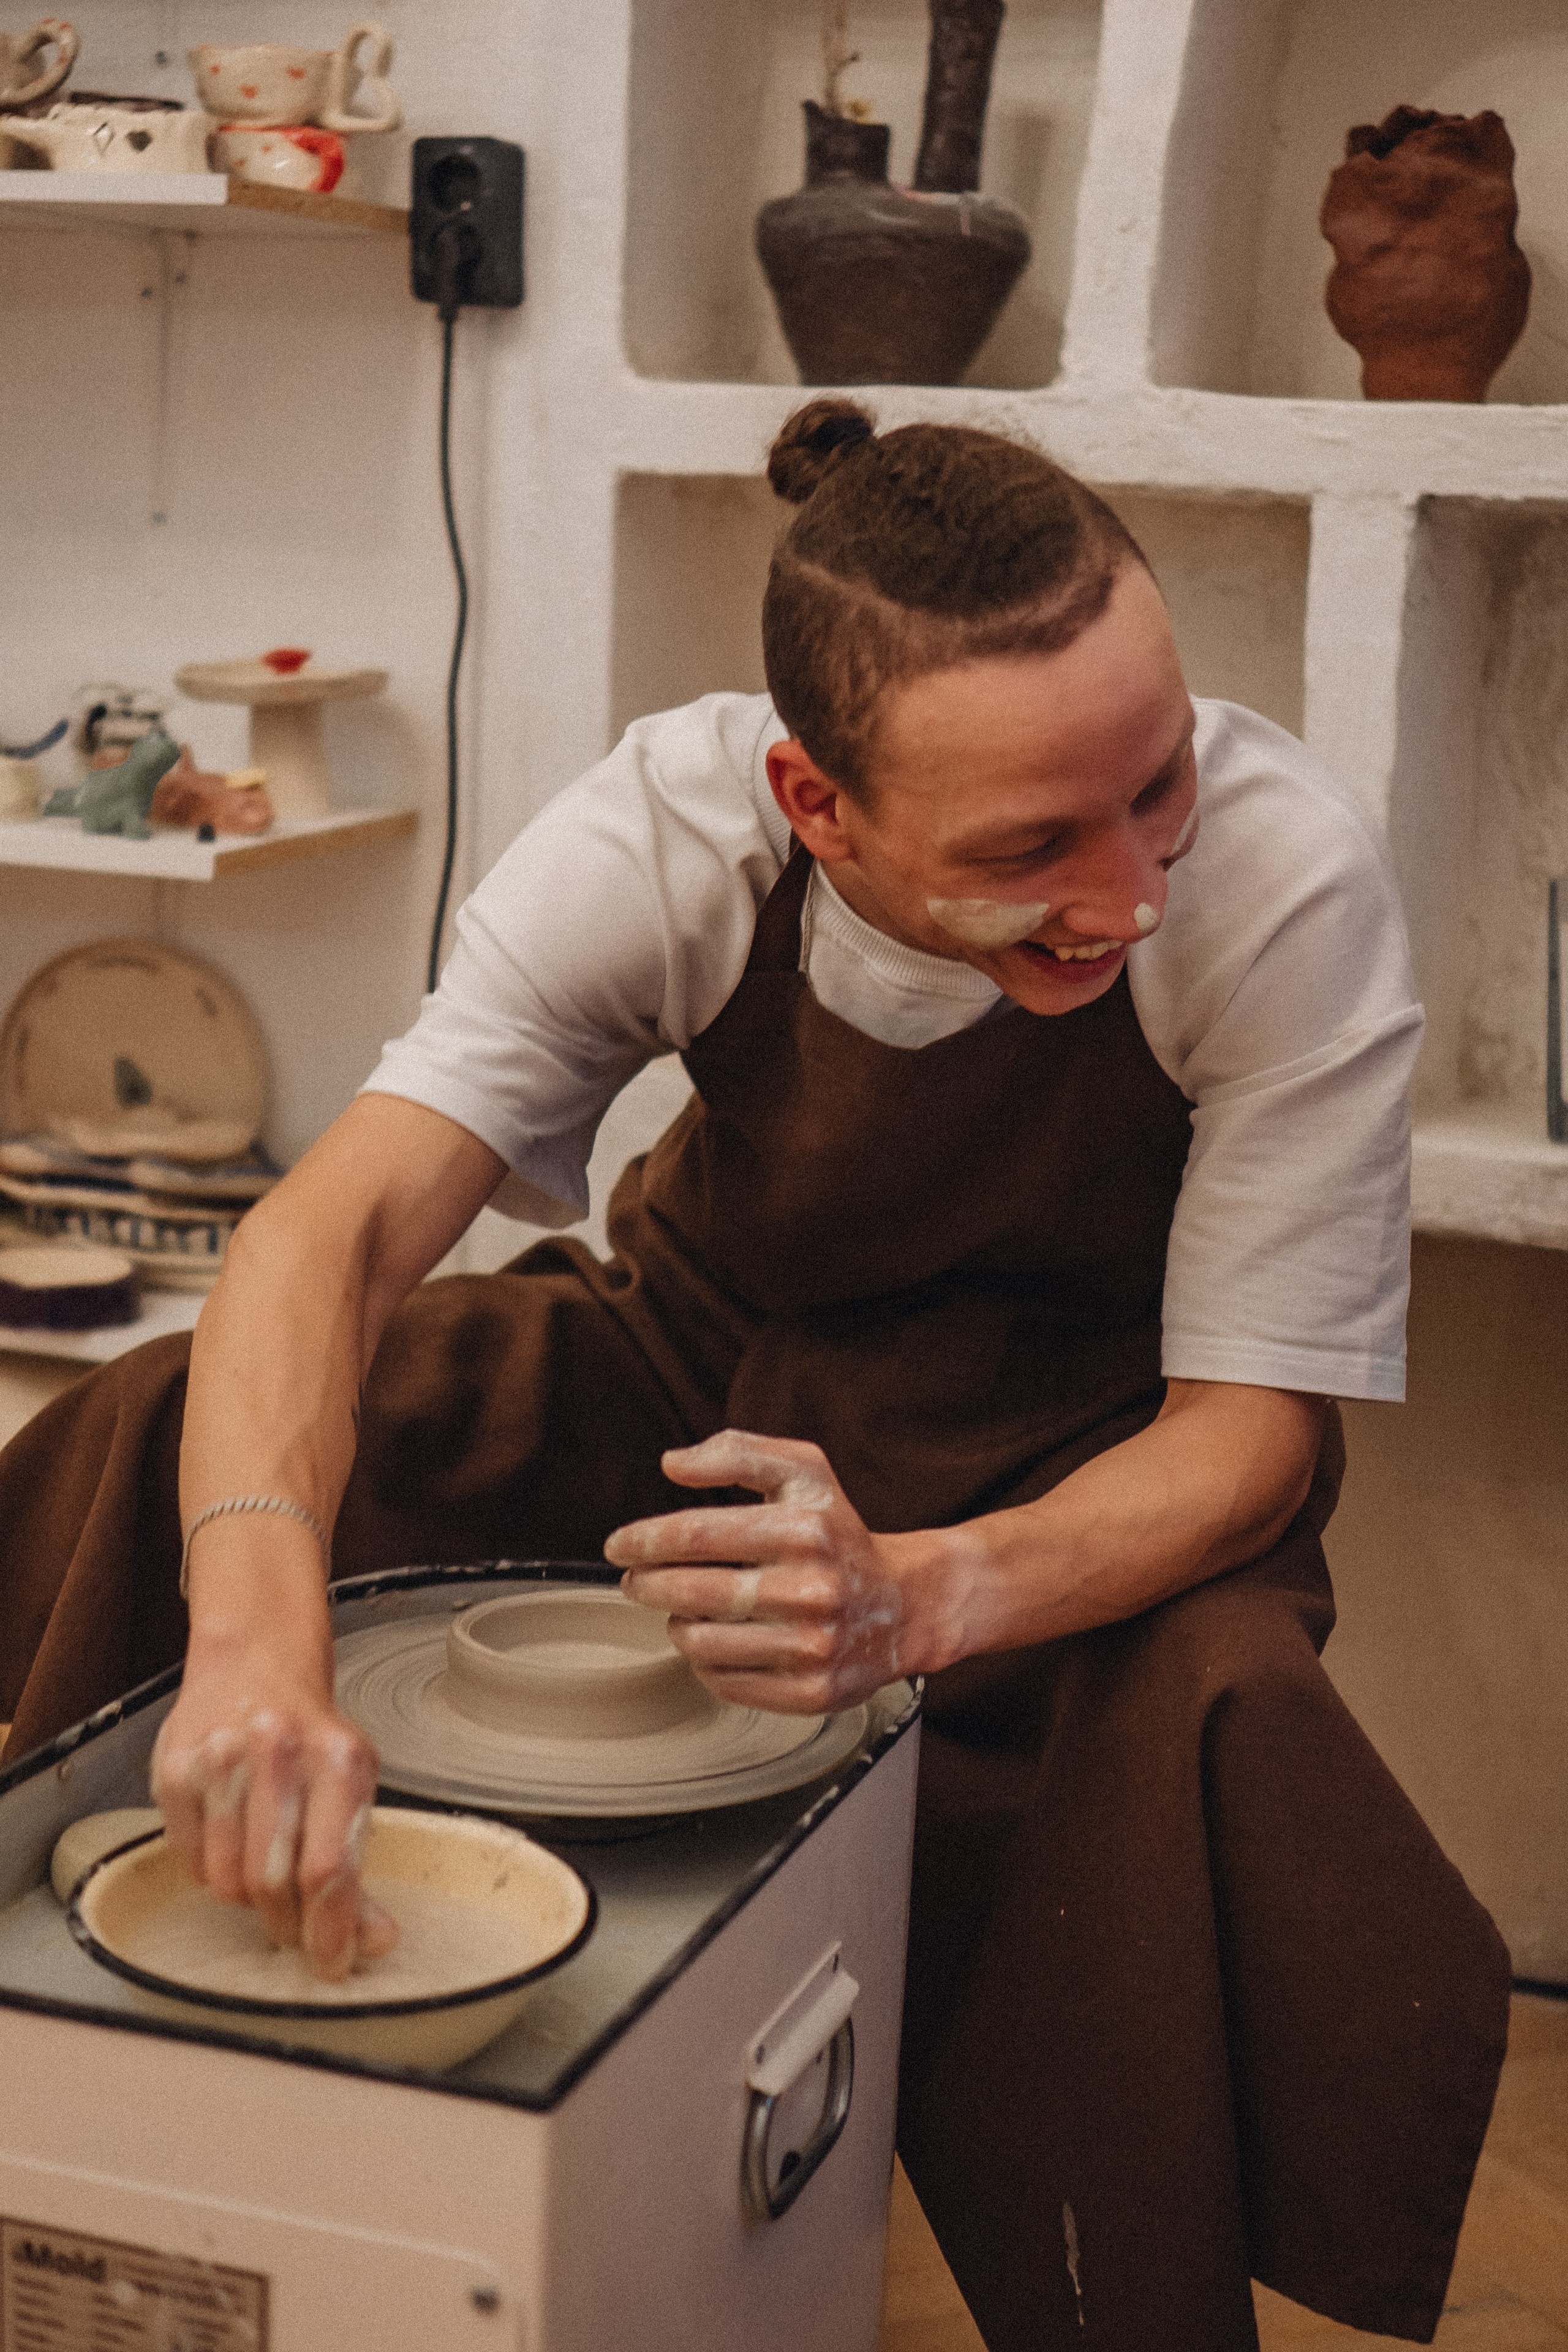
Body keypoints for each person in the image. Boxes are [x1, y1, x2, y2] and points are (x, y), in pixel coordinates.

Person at [0, 401, 1507, 2351]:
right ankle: (132, 2114)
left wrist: (923, 1593)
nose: (1128, 886)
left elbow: (1254, 1434)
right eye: (1031, 846)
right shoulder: (675, 830)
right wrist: (256, 1638)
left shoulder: (1276, 883)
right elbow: (335, 1232)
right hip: (704, 1371)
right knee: (158, 1423)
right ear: (818, 807)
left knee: (1216, 1702)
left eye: (1155, 783)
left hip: (1085, 1458)